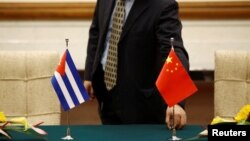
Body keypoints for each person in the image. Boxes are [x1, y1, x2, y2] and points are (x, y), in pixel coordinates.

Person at [84, 0, 189, 130]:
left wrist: (175, 99)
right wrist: (89, 74)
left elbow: (172, 52)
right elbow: (96, 32)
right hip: (106, 94)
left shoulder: (163, 5)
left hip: (141, 103)